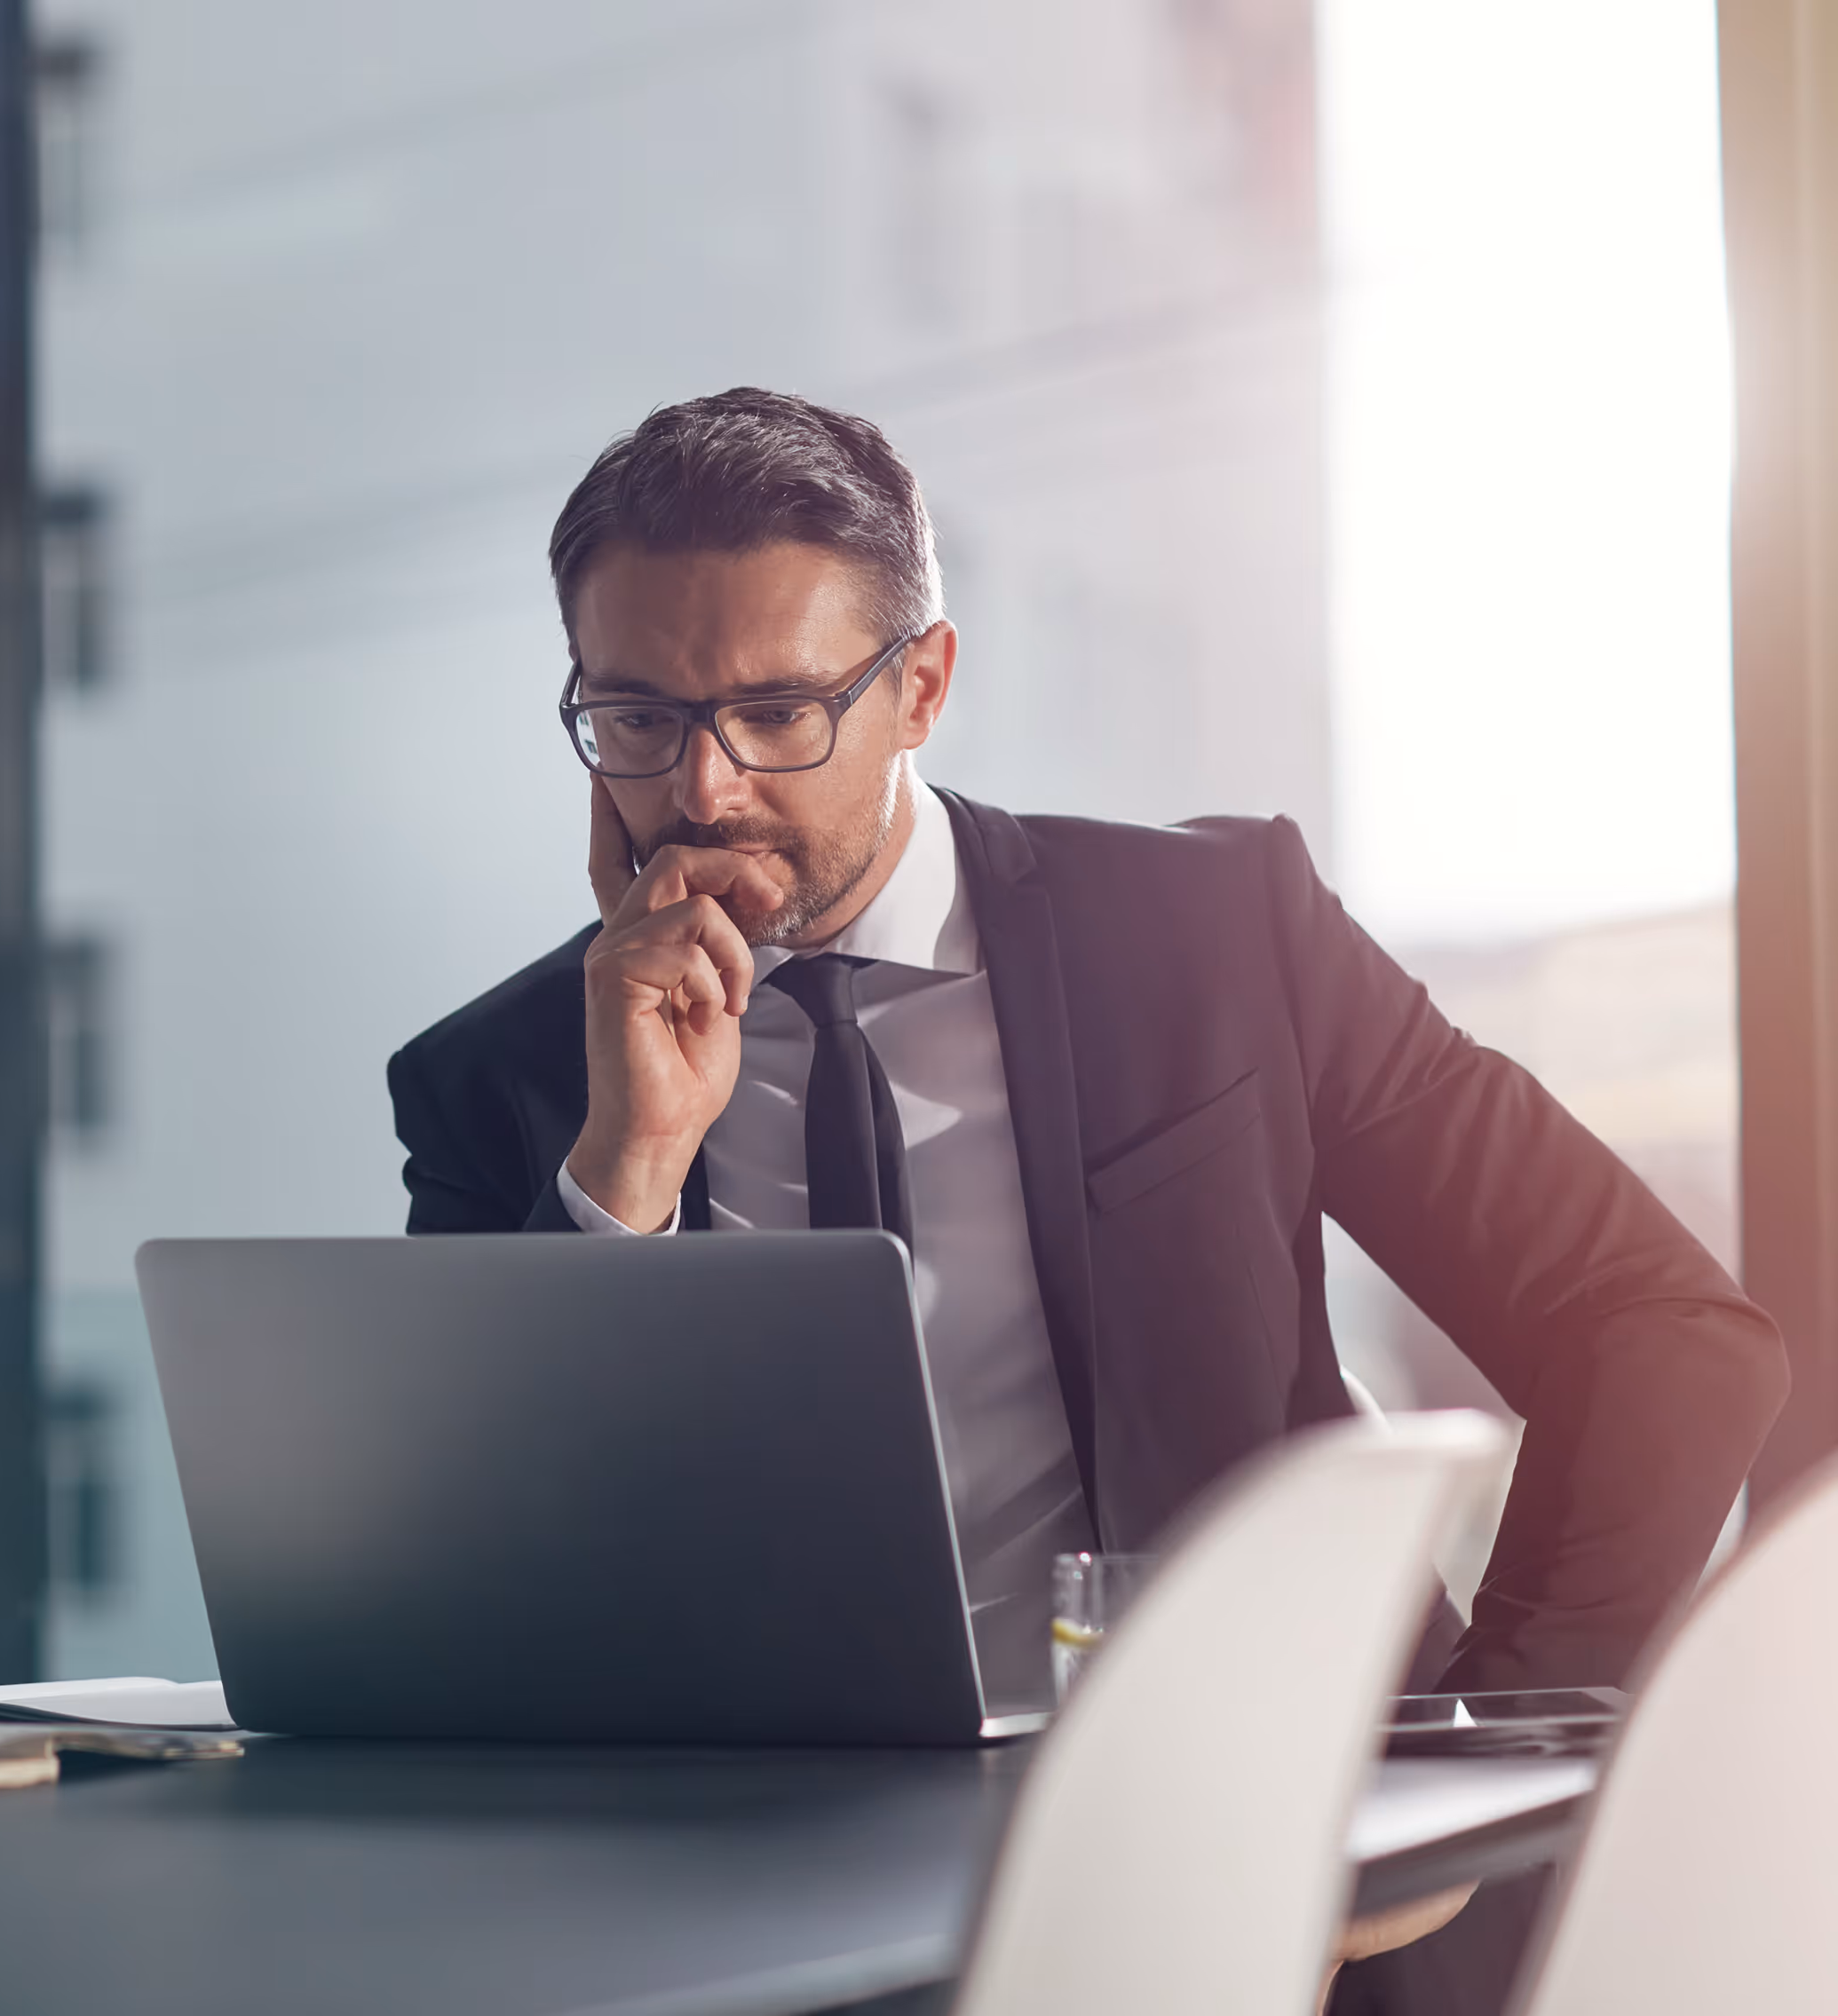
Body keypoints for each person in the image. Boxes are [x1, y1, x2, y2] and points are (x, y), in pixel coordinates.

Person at [387, 387, 1787, 2012]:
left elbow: (1666, 1330)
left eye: (779, 711)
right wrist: (623, 1171)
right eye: (636, 718)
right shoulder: (502, 1086)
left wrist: (1465, 1787)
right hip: (767, 1940)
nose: (701, 789)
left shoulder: (1215, 936)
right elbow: (471, 1620)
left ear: (921, 686)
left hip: (1281, 1913)